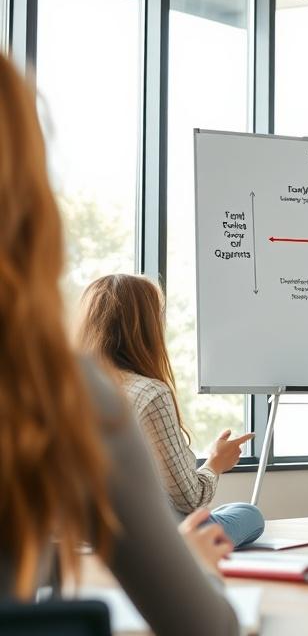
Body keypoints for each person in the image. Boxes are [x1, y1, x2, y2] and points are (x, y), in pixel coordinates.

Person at [0, 52, 238, 634]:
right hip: (154, 545)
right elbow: (206, 622)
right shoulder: (69, 399)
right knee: (239, 518)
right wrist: (197, 553)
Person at [77, 273, 265, 549]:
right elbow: (188, 499)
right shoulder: (149, 392)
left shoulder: (62, 388)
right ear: (147, 326)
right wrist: (215, 462)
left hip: (77, 526)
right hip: (140, 531)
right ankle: (190, 545)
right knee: (249, 514)